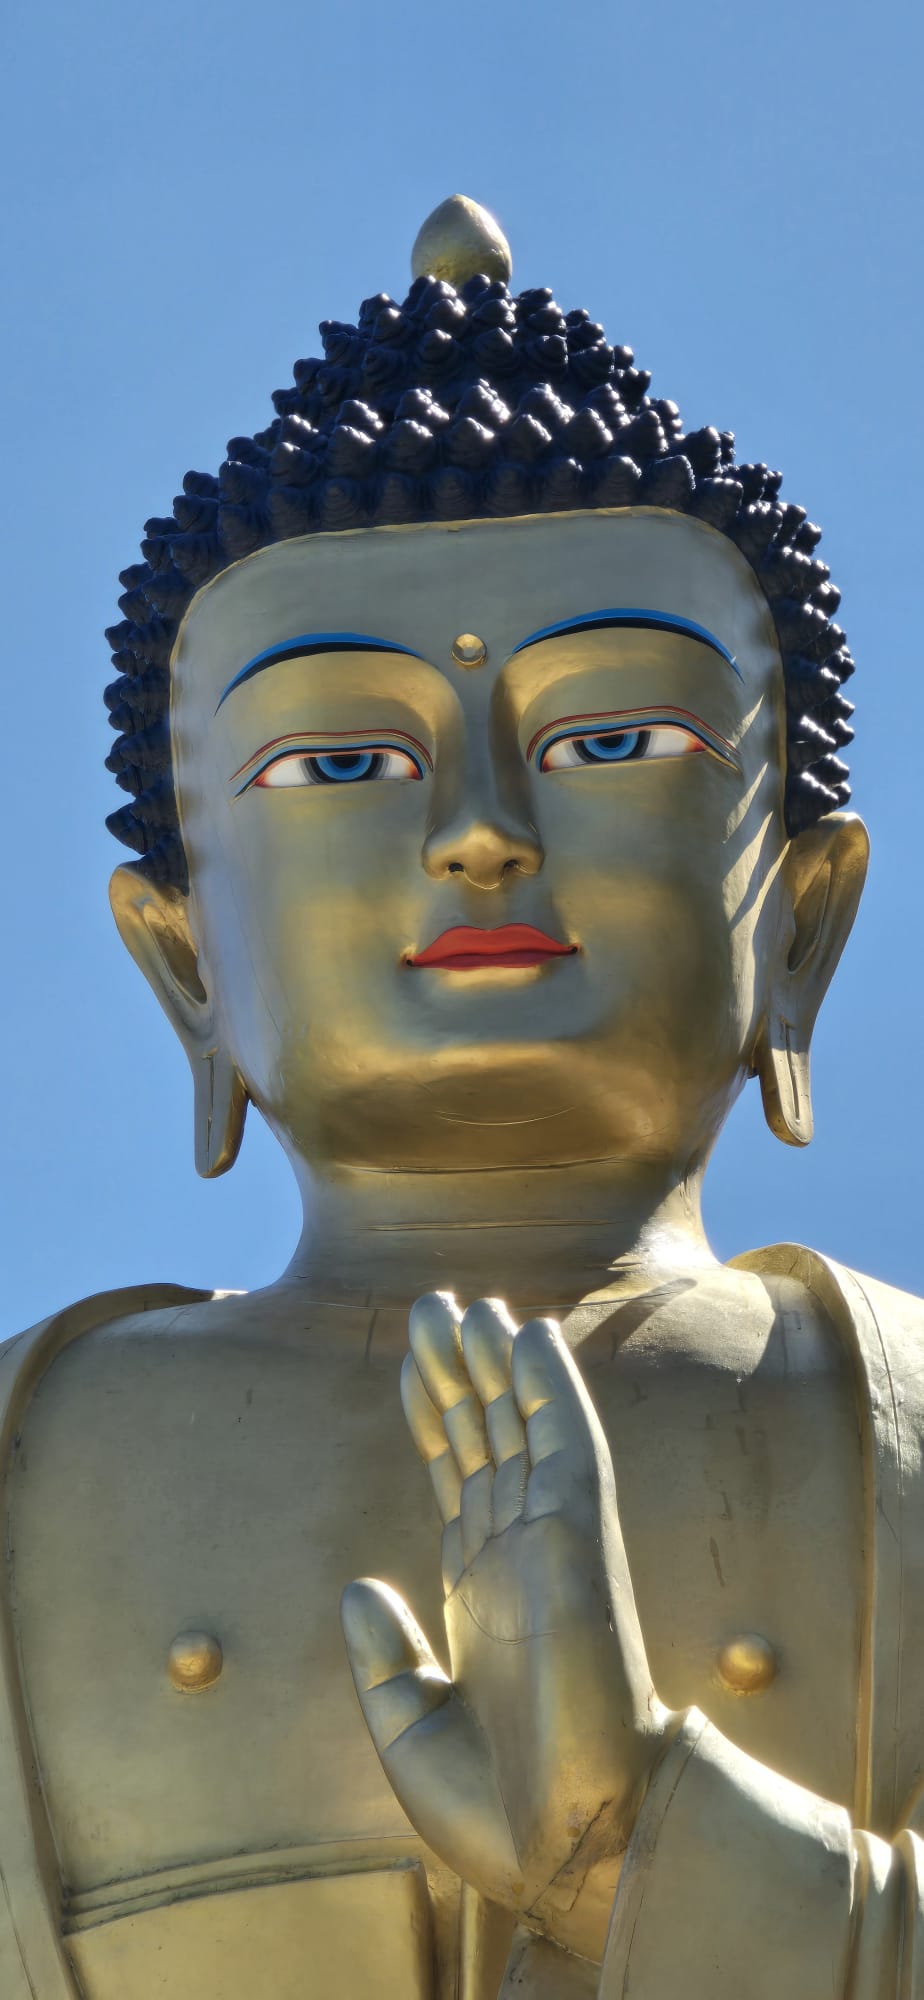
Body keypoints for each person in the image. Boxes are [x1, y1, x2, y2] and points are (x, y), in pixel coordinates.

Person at [0, 194, 916, 1999]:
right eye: (340, 757)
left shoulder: (903, 1425)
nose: (480, 829)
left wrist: (645, 1846)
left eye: (611, 739)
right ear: (185, 964)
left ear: (800, 925)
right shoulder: (34, 1463)